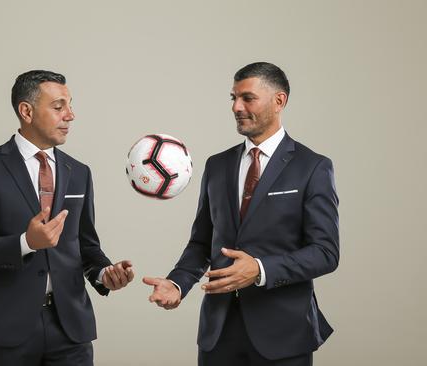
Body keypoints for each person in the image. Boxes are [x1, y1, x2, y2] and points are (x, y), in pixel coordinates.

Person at [143, 62, 339, 366]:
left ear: (279, 100)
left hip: (283, 333)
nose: (236, 107)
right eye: (233, 98)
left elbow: (325, 252)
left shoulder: (312, 167)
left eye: (247, 98)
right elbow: (201, 243)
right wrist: (177, 283)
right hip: (218, 334)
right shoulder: (217, 165)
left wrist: (260, 269)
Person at [0, 70, 133, 366]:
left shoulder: (80, 172)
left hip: (70, 328)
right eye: (58, 106)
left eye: (70, 105)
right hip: (6, 328)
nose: (71, 115)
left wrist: (105, 274)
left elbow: (85, 246)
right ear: (26, 111)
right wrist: (26, 242)